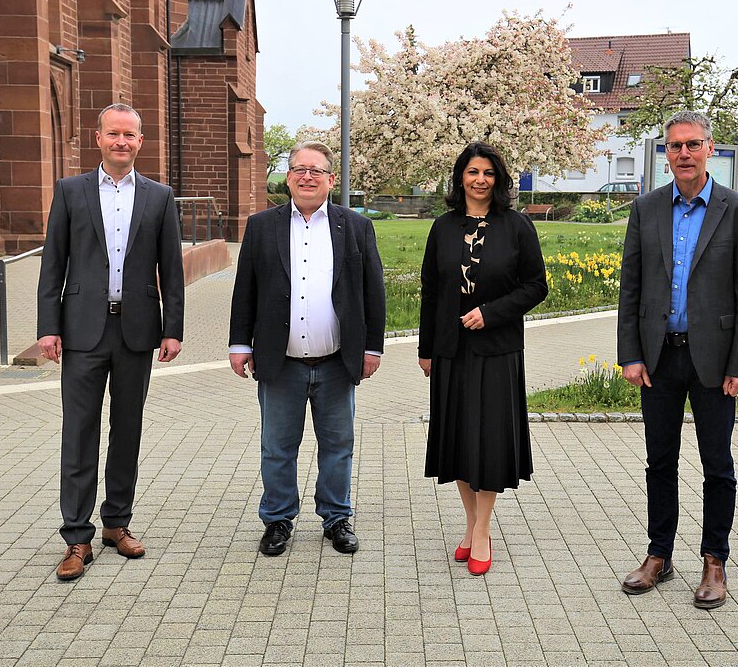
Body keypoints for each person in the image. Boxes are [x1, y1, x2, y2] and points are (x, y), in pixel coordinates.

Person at [616, 109, 738, 609]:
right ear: (666, 152)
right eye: (675, 146)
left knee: (716, 464)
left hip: (714, 362)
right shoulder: (646, 209)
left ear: (709, 148)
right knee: (659, 461)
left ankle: (714, 561)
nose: (683, 154)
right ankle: (659, 556)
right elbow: (631, 289)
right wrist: (630, 354)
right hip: (658, 359)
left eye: (692, 145)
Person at [37, 103, 185, 581]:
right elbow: (53, 265)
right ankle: (76, 536)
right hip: (81, 331)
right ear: (97, 137)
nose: (122, 142)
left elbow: (173, 272)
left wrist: (173, 328)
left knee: (128, 430)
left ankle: (117, 523)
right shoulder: (70, 191)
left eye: (130, 135)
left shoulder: (160, 197)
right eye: (113, 134)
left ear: (141, 141)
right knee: (79, 434)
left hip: (137, 331)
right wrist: (48, 325)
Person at [228, 140, 385, 557]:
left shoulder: (355, 227)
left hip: (336, 362)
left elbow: (373, 293)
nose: (307, 176)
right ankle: (278, 519)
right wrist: (240, 344)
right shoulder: (263, 227)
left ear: (331, 180)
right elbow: (246, 290)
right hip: (280, 364)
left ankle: (336, 518)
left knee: (338, 446)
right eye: (299, 169)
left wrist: (373, 349)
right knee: (277, 448)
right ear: (288, 177)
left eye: (316, 170)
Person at [418, 141, 548, 576]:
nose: (480, 180)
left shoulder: (517, 227)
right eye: (473, 172)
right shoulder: (443, 227)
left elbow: (535, 286)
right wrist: (426, 348)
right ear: (460, 178)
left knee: (489, 440)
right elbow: (432, 290)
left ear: (499, 179)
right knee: (457, 437)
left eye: (488, 173)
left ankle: (482, 530)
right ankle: (473, 526)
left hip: (497, 349)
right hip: (451, 349)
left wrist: (490, 314)